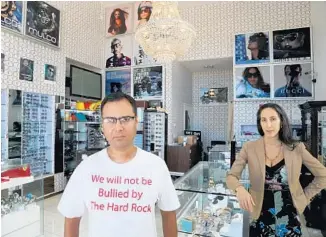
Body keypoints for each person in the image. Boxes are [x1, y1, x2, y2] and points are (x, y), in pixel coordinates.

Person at [58, 92, 180, 237]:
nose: (118, 127)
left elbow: (169, 214)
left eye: (125, 119)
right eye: (110, 120)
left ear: (136, 121)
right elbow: (71, 219)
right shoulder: (86, 168)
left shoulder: (156, 166)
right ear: (102, 125)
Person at [226, 103, 326, 236]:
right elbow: (231, 176)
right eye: (264, 120)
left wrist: (305, 197)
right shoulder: (249, 148)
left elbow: (323, 175)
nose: (268, 125)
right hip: (259, 216)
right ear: (259, 123)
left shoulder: (297, 148)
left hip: (289, 218)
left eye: (273, 119)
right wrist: (239, 189)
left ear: (281, 121)